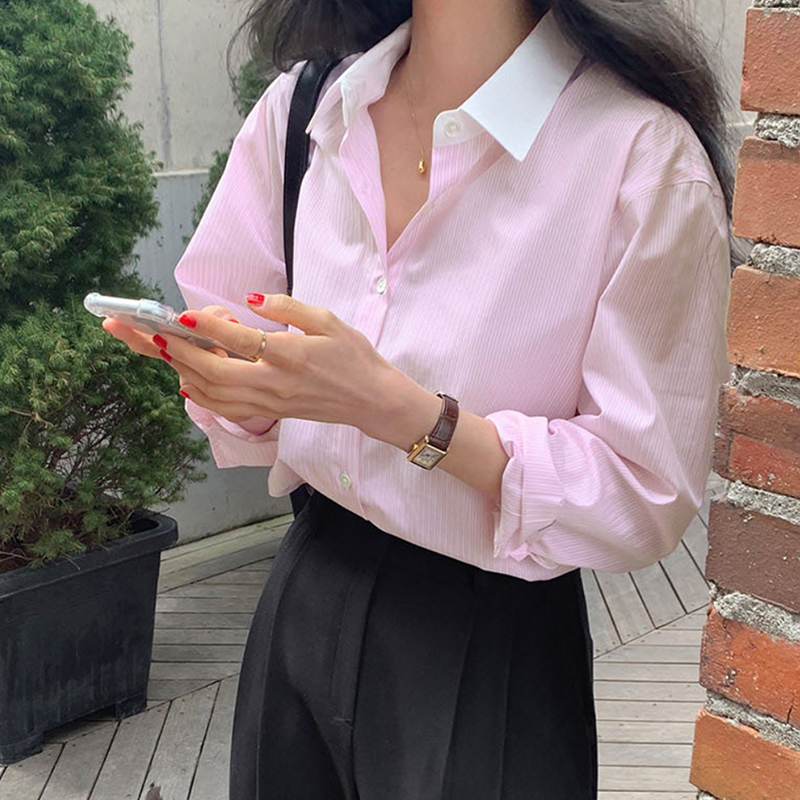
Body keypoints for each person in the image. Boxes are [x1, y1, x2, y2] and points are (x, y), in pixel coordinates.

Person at [104, 0, 738, 797]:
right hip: (303, 594)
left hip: (488, 640)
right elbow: (243, 357)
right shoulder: (306, 109)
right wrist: (236, 382)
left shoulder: (639, 158)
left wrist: (401, 412)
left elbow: (643, 490)